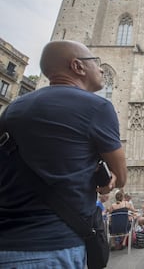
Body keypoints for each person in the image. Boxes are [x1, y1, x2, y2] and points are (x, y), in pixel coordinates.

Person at [0, 40, 127, 268]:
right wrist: (108, 182)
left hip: (7, 244)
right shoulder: (97, 107)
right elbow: (121, 176)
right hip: (56, 247)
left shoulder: (13, 108)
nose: (101, 69)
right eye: (95, 62)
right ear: (77, 66)